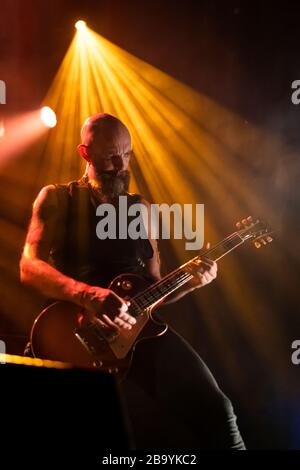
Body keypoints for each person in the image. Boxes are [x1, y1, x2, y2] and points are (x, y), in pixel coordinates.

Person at [20, 113, 245, 449]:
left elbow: (154, 288)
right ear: (85, 153)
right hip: (73, 333)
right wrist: (86, 294)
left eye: (126, 154)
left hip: (139, 334)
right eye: (111, 155)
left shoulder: (140, 209)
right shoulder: (57, 197)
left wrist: (192, 282)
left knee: (219, 411)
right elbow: (29, 267)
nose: (120, 164)